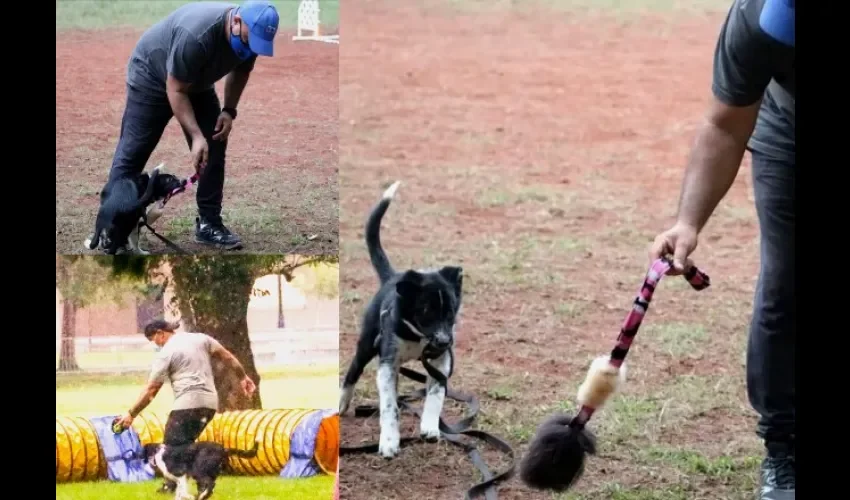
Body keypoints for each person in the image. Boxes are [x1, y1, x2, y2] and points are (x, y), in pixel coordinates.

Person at [648, 1, 794, 499]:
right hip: (789, 136)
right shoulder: (761, 19)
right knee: (785, 287)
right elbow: (725, 125)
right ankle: (786, 449)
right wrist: (689, 222)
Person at [94, 1, 281, 252]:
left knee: (215, 141)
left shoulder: (252, 34)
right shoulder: (197, 35)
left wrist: (229, 110)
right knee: (133, 153)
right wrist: (195, 136)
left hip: (195, 84)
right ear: (236, 22)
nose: (250, 48)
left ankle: (209, 224)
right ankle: (111, 229)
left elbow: (241, 71)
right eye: (249, 40)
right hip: (151, 77)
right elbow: (176, 88)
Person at [115, 319, 257, 494]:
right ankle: (190, 481)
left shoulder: (166, 353)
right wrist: (243, 377)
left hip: (187, 404)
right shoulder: (200, 339)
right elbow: (226, 356)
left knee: (172, 446)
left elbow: (151, 390)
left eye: (154, 340)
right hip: (210, 403)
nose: (156, 345)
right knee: (186, 445)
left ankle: (190, 484)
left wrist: (131, 414)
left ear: (161, 333)